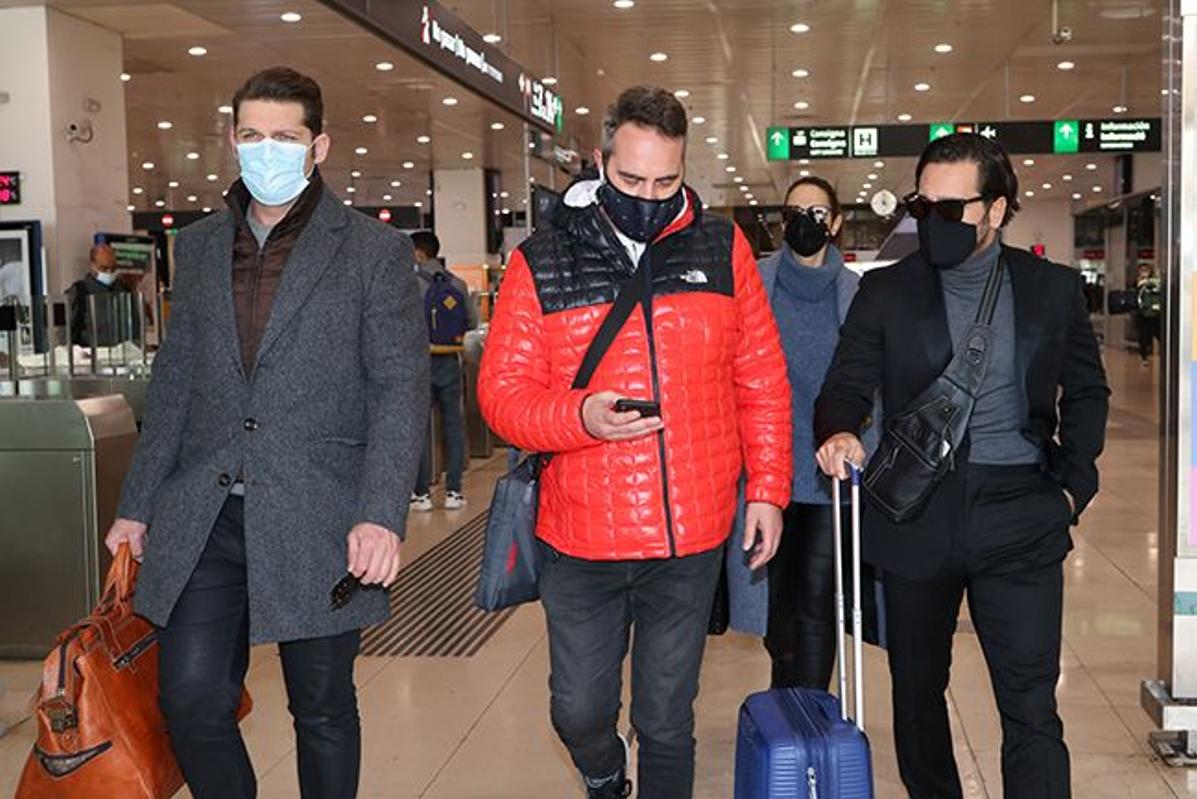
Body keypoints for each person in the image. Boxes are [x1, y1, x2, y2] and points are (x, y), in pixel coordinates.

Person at [103, 67, 429, 799]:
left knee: (321, 706)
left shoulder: (371, 254)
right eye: (252, 135)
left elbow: (398, 391)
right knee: (189, 699)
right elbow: (177, 381)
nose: (266, 149)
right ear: (231, 139)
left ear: (319, 147)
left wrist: (381, 512)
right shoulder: (200, 245)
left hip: (321, 512)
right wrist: (138, 503)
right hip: (207, 511)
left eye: (284, 137)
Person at [478, 85, 792, 799]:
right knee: (580, 708)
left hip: (691, 533)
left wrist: (769, 488)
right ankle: (602, 769)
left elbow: (762, 378)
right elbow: (502, 396)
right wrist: (580, 417)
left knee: (667, 717)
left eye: (667, 181)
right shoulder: (542, 260)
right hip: (580, 534)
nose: (649, 197)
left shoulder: (722, 248)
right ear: (599, 160)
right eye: (630, 180)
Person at [814, 133, 1109, 799]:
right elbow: (846, 383)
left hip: (1021, 511)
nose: (933, 223)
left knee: (1032, 705)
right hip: (917, 514)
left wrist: (1070, 488)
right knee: (917, 696)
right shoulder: (886, 291)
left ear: (997, 209)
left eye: (953, 210)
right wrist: (837, 431)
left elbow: (1087, 391)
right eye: (925, 207)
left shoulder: (1052, 289)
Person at [750, 175, 879, 689]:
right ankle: (787, 704)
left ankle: (805, 716)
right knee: (777, 610)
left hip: (828, 478)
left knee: (816, 606)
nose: (806, 222)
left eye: (818, 213)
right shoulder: (755, 284)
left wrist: (864, 444)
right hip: (767, 474)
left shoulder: (857, 294)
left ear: (838, 222)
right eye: (795, 212)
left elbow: (874, 381)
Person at [409, 230, 479, 512]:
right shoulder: (458, 285)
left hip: (419, 362)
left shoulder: (409, 283)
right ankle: (454, 492)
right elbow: (472, 323)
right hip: (451, 361)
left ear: (418, 253)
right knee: (453, 425)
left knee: (421, 428)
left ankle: (422, 493)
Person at [67, 244, 137, 347]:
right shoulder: (79, 292)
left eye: (113, 268)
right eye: (104, 268)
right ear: (92, 265)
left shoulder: (124, 290)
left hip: (123, 354)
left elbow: (135, 325)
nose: (109, 272)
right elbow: (67, 330)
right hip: (90, 355)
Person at [1134, 263, 1162, 367]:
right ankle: (1144, 357)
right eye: (1142, 270)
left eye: (1146, 270)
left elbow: (1157, 292)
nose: (1144, 272)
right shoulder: (1137, 283)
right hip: (1143, 315)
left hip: (1154, 314)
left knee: (1160, 335)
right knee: (1144, 337)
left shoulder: (1154, 283)